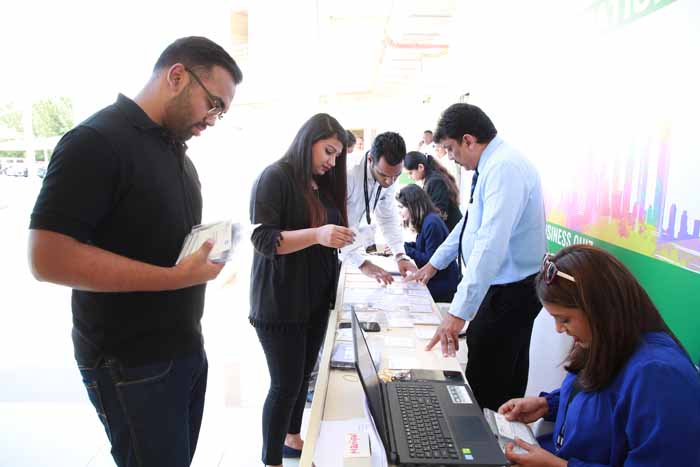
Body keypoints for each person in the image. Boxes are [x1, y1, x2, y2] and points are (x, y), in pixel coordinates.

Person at [27, 37, 243, 467]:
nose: (214, 119)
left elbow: (152, 238)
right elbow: (47, 257)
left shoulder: (175, 152)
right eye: (213, 103)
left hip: (183, 347)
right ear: (177, 76)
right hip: (131, 360)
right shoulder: (96, 141)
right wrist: (177, 277)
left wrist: (203, 251)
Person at [499, 245, 700, 467]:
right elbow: (601, 397)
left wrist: (557, 466)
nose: (559, 329)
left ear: (601, 308)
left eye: (565, 319)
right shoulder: (605, 341)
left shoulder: (659, 376)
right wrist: (547, 405)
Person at [412, 103, 546, 411]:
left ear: (469, 140)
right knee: (498, 373)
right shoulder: (493, 166)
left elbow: (491, 243)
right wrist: (434, 263)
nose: (452, 157)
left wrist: (457, 313)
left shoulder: (504, 169)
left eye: (451, 148)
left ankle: (485, 444)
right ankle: (497, 441)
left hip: (511, 292)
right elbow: (469, 224)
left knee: (489, 380)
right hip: (504, 289)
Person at [249, 113, 354, 467]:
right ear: (307, 140)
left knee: (301, 379)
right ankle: (271, 459)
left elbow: (332, 235)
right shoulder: (275, 177)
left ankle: (292, 437)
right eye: (328, 151)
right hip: (280, 302)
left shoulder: (319, 185)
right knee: (285, 385)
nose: (331, 161)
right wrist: (317, 234)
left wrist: (355, 253)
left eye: (337, 156)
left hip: (313, 301)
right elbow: (263, 239)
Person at [345, 131, 417, 284]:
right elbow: (335, 223)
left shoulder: (389, 175)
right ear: (370, 159)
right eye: (384, 175)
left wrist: (400, 255)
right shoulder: (349, 173)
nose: (390, 181)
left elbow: (388, 218)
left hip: (355, 247)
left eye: (396, 176)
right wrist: (362, 264)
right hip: (334, 251)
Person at [397, 184, 460, 302]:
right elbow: (423, 248)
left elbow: (430, 260)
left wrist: (406, 250)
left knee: (403, 294)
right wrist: (401, 247)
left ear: (412, 206)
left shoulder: (432, 223)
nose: (400, 212)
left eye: (402, 207)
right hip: (437, 280)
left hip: (443, 285)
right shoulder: (428, 220)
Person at [404, 150, 463, 231]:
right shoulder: (430, 179)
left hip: (451, 230)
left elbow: (441, 213)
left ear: (420, 167)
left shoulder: (435, 181)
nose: (409, 177)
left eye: (410, 173)